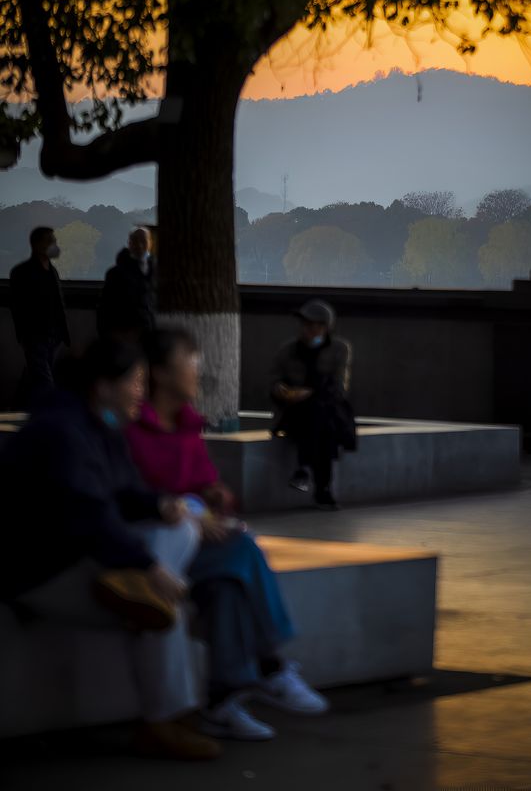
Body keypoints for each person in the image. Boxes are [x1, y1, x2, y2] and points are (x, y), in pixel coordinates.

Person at [0, 338, 220, 761]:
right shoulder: (61, 431)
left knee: (182, 528)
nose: (143, 390)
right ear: (102, 386)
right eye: (135, 381)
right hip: (39, 568)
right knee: (159, 610)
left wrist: (160, 504)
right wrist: (148, 565)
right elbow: (85, 511)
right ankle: (162, 720)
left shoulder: (100, 424)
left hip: (80, 555)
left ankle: (136, 595)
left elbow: (122, 492)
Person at [126, 328, 329, 741]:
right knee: (244, 550)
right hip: (151, 549)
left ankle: (222, 700)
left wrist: (215, 498)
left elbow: (204, 486)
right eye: (190, 359)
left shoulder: (186, 424)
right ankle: (270, 664)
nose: (198, 368)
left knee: (226, 587)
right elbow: (134, 497)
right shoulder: (133, 430)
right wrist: (190, 511)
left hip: (192, 548)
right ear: (162, 373)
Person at [270, 300, 356, 510]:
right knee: (316, 419)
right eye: (305, 324)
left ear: (326, 327)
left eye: (314, 325)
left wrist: (310, 392)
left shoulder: (339, 349)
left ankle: (303, 469)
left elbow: (339, 388)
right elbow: (274, 380)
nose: (308, 330)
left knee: (319, 414)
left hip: (327, 409)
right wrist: (282, 390)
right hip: (293, 411)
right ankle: (321, 489)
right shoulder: (288, 350)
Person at [9, 227, 70, 405]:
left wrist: (63, 333)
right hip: (35, 337)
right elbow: (17, 306)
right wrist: (24, 335)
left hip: (54, 336)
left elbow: (58, 304)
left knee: (34, 377)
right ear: (37, 245)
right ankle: (50, 415)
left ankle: (18, 408)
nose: (54, 245)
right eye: (50, 241)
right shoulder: (21, 272)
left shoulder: (52, 271)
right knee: (45, 380)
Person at [97, 228, 156, 341]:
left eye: (143, 241)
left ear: (150, 243)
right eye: (135, 241)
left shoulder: (156, 269)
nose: (139, 245)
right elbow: (105, 306)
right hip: (125, 333)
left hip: (149, 332)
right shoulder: (116, 273)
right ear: (129, 243)